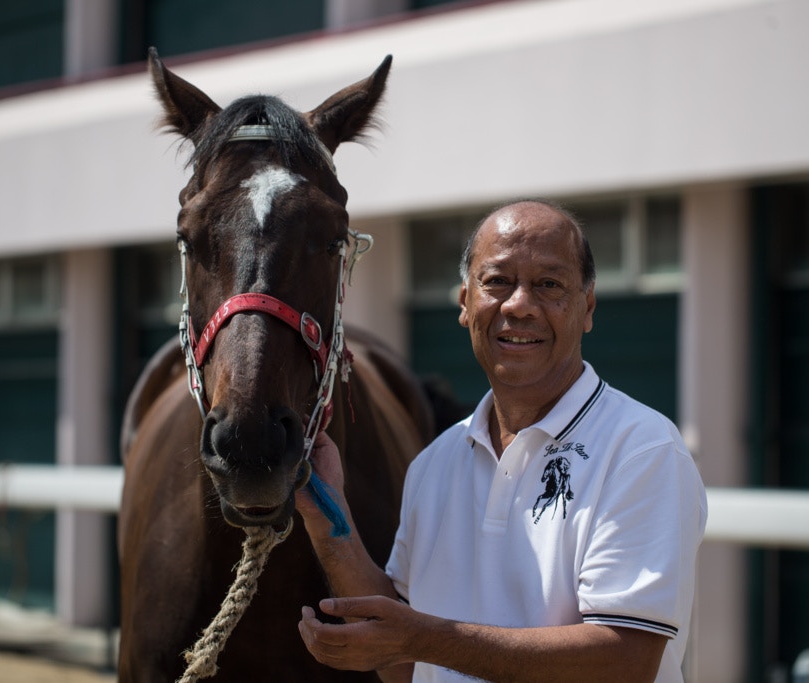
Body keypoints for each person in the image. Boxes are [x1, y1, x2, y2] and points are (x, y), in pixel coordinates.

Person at [295, 199, 707, 683]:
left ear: (588, 308)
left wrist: (426, 638)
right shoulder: (434, 463)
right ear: (466, 305)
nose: (519, 305)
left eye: (549, 285)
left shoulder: (641, 449)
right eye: (497, 282)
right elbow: (404, 665)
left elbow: (625, 661)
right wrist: (329, 522)